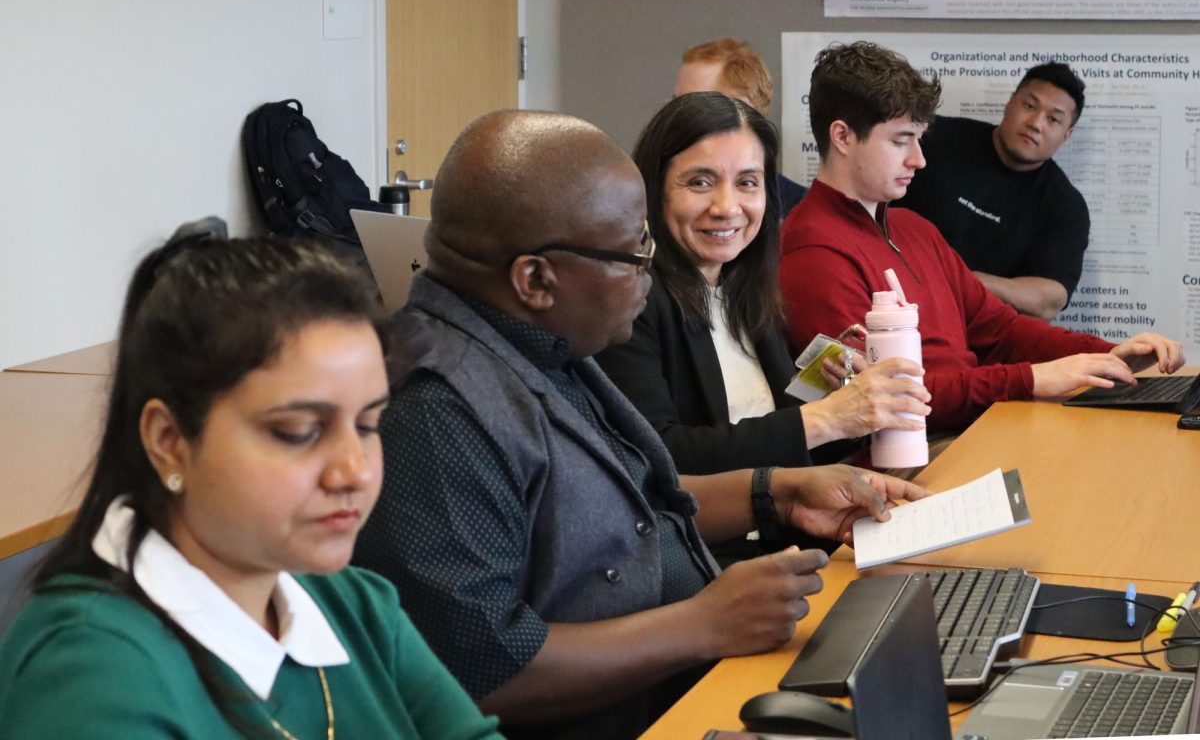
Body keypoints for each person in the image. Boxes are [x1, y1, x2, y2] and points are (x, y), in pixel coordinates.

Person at [352, 109, 927, 740]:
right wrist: (702, 624)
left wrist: (777, 493)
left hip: (688, 689)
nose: (647, 272)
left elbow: (628, 505)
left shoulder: (538, 344)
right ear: (536, 278)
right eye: (634, 252)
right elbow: (480, 672)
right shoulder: (437, 411)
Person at [0, 219, 502, 739]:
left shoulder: (353, 603)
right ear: (169, 441)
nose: (355, 470)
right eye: (300, 431)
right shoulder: (93, 682)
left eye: (368, 424)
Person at [779, 41, 1185, 433]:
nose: (918, 159)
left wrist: (1104, 354)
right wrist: (1029, 379)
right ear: (843, 137)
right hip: (907, 452)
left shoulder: (914, 229)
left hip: (974, 426)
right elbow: (885, 400)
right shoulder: (812, 252)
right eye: (901, 140)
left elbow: (1001, 330)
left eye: (918, 140)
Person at [596, 92, 931, 479]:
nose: (727, 206)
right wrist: (822, 419)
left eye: (747, 183)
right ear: (656, 190)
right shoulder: (628, 297)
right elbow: (655, 455)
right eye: (700, 182)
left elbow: (777, 434)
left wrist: (839, 398)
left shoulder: (745, 284)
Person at [900, 62, 1089, 320]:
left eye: (1053, 119)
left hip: (977, 332)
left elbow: (1051, 298)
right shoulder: (934, 139)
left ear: (1066, 135)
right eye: (1030, 106)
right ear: (1010, 102)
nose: (1036, 123)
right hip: (892, 302)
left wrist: (966, 281)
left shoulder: (1065, 205)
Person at [673, 37, 808, 216]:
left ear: (743, 109)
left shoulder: (799, 210)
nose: (674, 116)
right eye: (675, 103)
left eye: (692, 104)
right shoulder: (657, 192)